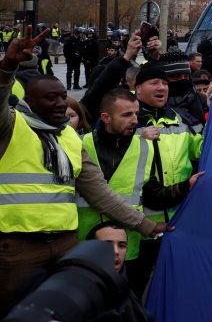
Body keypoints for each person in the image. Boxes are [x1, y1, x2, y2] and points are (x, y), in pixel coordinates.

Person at [0, 28, 166, 315]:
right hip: (18, 250)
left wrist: (148, 226)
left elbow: (102, 194)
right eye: (50, 98)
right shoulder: (10, 126)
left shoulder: (71, 139)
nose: (61, 104)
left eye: (63, 97)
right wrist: (8, 67)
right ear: (29, 101)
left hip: (66, 244)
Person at [79, 88, 203, 293]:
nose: (135, 120)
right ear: (105, 117)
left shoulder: (144, 147)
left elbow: (151, 192)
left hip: (127, 248)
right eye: (127, 114)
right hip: (86, 244)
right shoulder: (80, 144)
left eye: (136, 113)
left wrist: (184, 186)